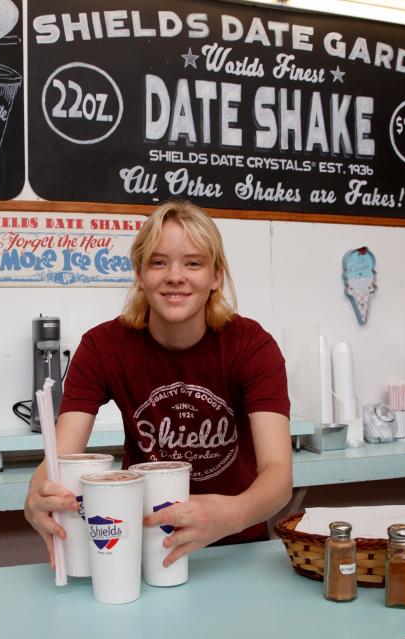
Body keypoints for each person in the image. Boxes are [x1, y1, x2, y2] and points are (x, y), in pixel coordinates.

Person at [24, 199, 293, 569]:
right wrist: (36, 494)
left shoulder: (252, 346)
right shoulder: (102, 347)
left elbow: (279, 476)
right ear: (139, 273)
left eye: (193, 262)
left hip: (237, 545)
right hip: (149, 546)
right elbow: (60, 458)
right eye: (158, 261)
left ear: (216, 276)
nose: (175, 276)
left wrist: (229, 514)